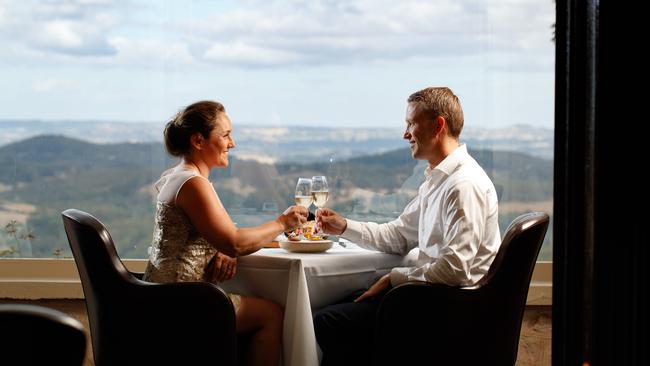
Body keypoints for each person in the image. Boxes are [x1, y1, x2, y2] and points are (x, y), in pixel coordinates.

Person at [313, 87, 501, 365]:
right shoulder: (439, 180)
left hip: (448, 313)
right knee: (343, 304)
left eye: (411, 123)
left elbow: (455, 269)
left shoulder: (463, 185)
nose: (405, 133)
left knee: (329, 320)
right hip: (430, 300)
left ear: (438, 125)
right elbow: (399, 235)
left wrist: (394, 278)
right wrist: (342, 226)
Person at [143, 100, 308, 366]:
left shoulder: (176, 176)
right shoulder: (194, 184)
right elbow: (235, 242)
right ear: (198, 141)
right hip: (181, 303)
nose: (232, 143)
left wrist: (220, 245)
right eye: (226, 135)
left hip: (159, 293)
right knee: (271, 315)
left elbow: (207, 235)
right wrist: (283, 223)